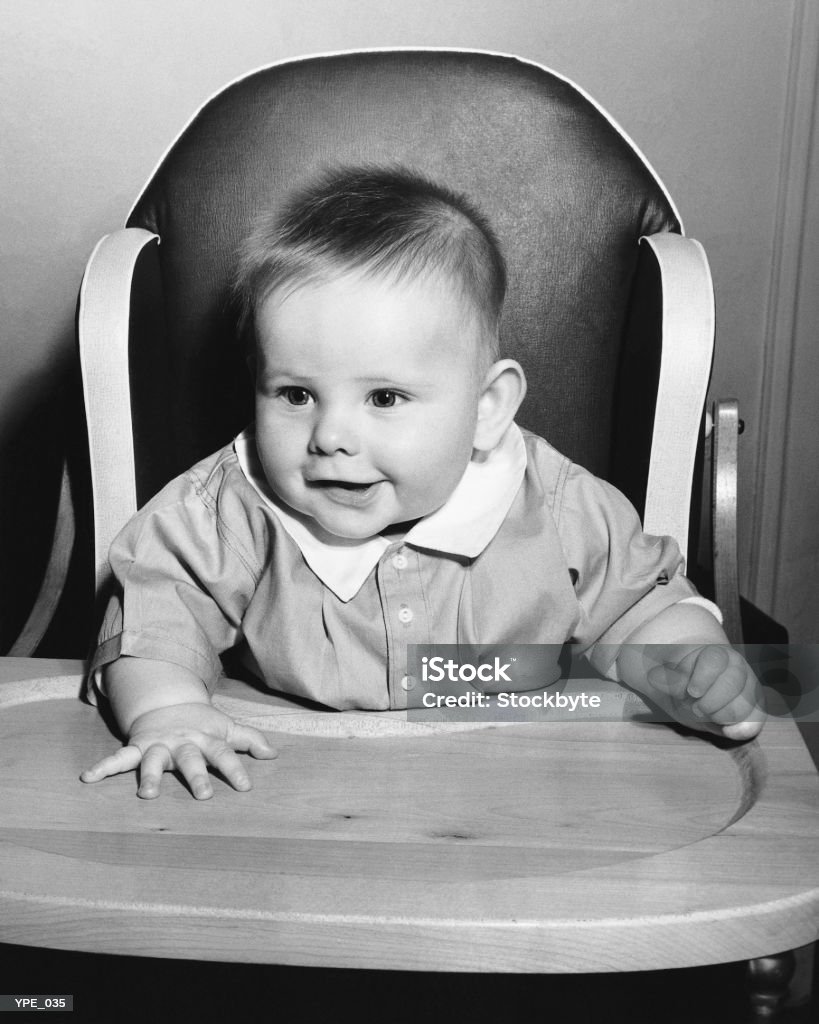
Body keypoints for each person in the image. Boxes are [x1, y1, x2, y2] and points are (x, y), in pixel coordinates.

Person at [80, 166, 764, 801]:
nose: (329, 436)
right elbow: (152, 623)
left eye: (383, 398)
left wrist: (684, 665)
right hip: (296, 798)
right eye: (294, 394)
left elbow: (637, 607)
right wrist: (170, 712)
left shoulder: (552, 506)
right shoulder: (228, 509)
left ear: (486, 408)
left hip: (524, 794)